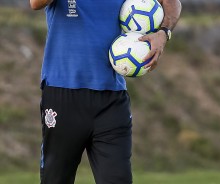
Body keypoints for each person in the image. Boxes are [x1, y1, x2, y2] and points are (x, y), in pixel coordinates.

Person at [30, 0, 181, 183]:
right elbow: (35, 3)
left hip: (111, 100)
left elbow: (171, 2)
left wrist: (164, 33)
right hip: (63, 95)